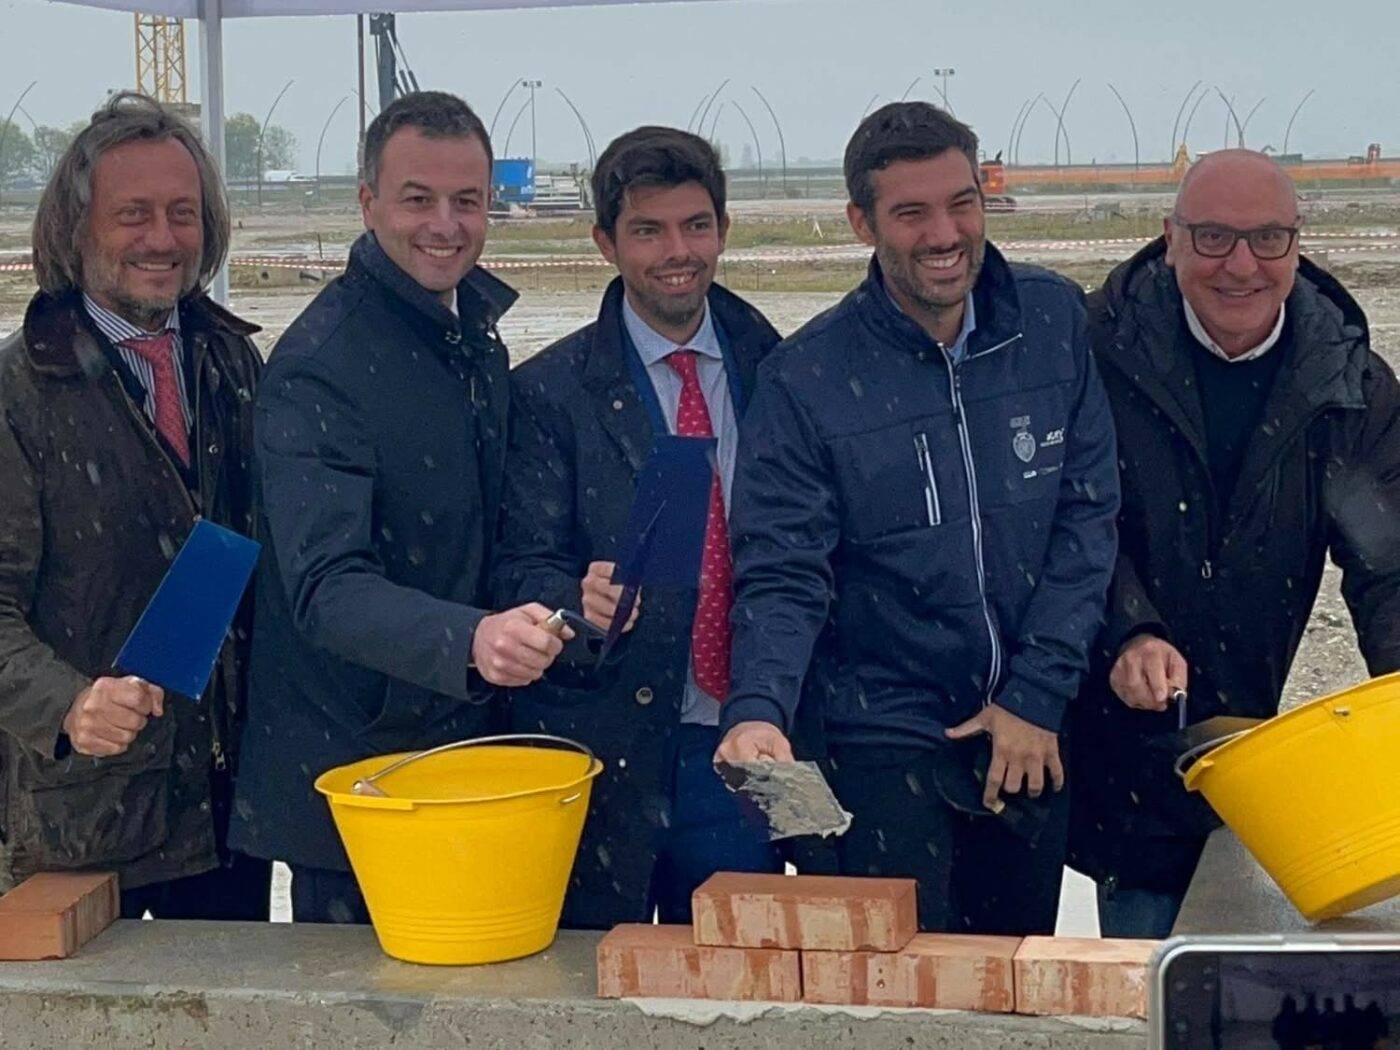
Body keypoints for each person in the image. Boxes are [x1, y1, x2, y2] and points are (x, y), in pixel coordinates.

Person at [713, 102, 1120, 934]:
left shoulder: (1051, 322)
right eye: (912, 213)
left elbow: (1086, 518)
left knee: (1012, 981)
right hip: (877, 743)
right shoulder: (806, 377)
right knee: (895, 984)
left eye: (961, 203)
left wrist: (1038, 693)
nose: (945, 234)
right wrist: (758, 707)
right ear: (862, 223)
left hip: (1026, 733)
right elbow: (784, 571)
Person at [228, 91, 568, 923]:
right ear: (368, 202)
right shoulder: (321, 366)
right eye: (418, 199)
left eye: (467, 201)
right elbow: (325, 588)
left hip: (460, 749)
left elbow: (479, 531)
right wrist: (471, 640)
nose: (444, 225)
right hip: (359, 777)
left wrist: (563, 592)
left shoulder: (470, 333)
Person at [1069, 150, 1400, 938]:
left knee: (1246, 961)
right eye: (1213, 238)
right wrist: (1128, 629)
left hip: (1249, 747)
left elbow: (1389, 565)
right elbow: (1064, 522)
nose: (1242, 266)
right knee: (1142, 958)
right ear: (1170, 238)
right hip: (1104, 743)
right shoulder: (1092, 357)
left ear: (1298, 244)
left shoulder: (1349, 386)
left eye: (1268, 239)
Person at [493, 127, 783, 927]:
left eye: (696, 226)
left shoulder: (779, 368)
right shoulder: (549, 392)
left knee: (734, 976)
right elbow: (517, 566)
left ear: (723, 229)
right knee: (595, 977)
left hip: (740, 741)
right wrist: (570, 600)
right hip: (604, 747)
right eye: (648, 230)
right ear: (605, 243)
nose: (677, 251)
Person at [0, 93, 269, 918]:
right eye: (134, 214)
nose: (163, 238)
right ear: (75, 229)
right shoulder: (18, 395)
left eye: (183, 213)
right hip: (81, 823)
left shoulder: (235, 365)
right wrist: (68, 705)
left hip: (227, 818)